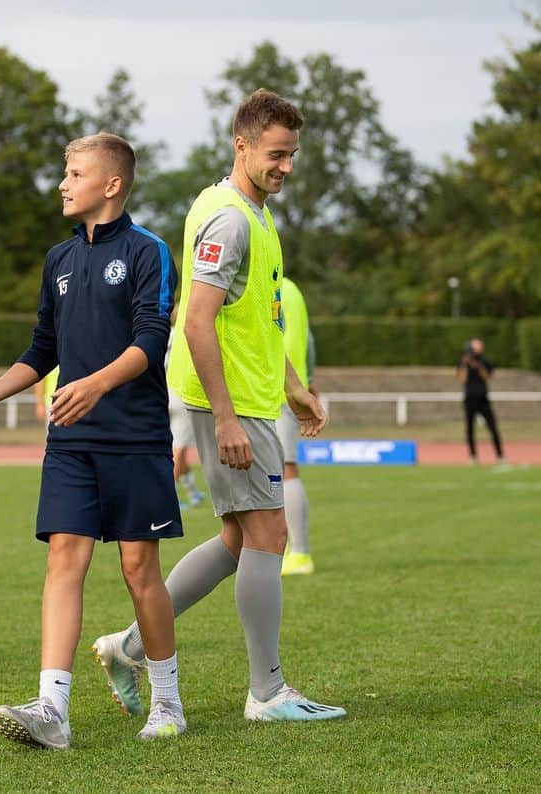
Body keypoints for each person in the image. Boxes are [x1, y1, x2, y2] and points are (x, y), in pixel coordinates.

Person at [92, 90, 346, 723]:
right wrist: (228, 417)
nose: (286, 166)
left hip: (255, 398)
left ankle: (127, 645)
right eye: (276, 154)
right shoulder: (230, 217)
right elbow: (197, 321)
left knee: (239, 538)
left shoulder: (256, 216)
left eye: (292, 155)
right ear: (242, 144)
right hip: (229, 404)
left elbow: (257, 317)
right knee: (269, 533)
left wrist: (292, 384)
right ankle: (267, 693)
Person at [0, 132, 186, 749]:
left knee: (139, 569)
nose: (63, 183)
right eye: (64, 172)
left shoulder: (150, 251)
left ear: (112, 184)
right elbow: (43, 348)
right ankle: (53, 710)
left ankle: (168, 702)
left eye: (75, 173)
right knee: (63, 558)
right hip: (71, 440)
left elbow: (153, 338)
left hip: (136, 438)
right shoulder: (59, 260)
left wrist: (96, 384)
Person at [277, 276, 318, 576]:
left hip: (272, 391)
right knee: (280, 470)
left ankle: (300, 552)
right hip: (291, 388)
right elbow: (309, 341)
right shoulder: (293, 289)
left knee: (285, 469)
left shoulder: (264, 284)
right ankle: (290, 549)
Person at [166, 327, 206, 510]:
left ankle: (192, 491)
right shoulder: (188, 332)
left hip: (164, 392)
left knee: (174, 449)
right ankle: (167, 499)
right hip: (182, 395)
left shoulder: (164, 332)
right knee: (179, 451)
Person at [458, 337, 504, 465]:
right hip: (469, 399)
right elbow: (462, 378)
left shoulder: (485, 361)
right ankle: (473, 457)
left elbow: (487, 377)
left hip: (483, 399)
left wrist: (478, 366)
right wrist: (465, 364)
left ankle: (500, 456)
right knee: (470, 429)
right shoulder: (464, 362)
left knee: (493, 428)